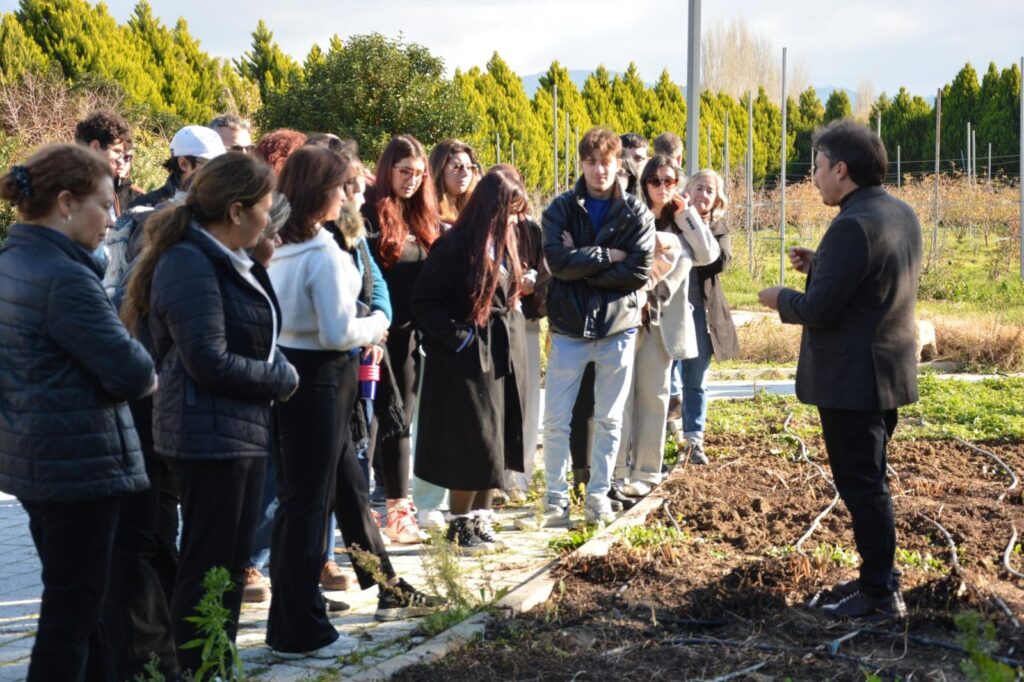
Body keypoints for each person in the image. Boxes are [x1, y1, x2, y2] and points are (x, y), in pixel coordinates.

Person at [120, 152, 300, 676]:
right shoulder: (189, 261)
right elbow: (208, 360)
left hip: (232, 431)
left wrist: (260, 265)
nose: (272, 221)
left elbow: (258, 334)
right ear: (238, 210)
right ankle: (197, 669)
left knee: (223, 567)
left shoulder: (224, 255)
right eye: (266, 210)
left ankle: (213, 665)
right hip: (207, 435)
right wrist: (282, 379)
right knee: (207, 568)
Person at [267, 147, 440, 658]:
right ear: (320, 190)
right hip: (323, 376)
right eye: (342, 187)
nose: (349, 196)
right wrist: (378, 325)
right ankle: (297, 628)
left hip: (297, 375)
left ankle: (385, 588)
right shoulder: (319, 248)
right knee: (306, 504)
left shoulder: (278, 241)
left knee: (345, 490)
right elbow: (341, 328)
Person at [0, 144, 157, 682]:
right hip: (78, 466)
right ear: (65, 203)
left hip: (38, 460)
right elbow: (134, 371)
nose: (113, 218)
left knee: (80, 609)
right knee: (72, 613)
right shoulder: (65, 279)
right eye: (105, 204)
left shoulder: (13, 261)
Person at [758, 119, 921, 621]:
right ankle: (879, 578)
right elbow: (871, 280)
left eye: (819, 167)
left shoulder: (852, 223)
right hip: (887, 373)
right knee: (870, 482)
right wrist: (822, 263)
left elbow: (822, 311)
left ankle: (878, 593)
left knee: (864, 488)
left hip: (853, 381)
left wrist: (781, 297)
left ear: (842, 170)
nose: (815, 177)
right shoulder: (897, 212)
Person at [541, 126, 654, 526]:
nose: (599, 170)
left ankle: (598, 497)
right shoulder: (560, 209)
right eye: (591, 162)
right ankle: (555, 499)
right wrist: (608, 255)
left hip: (616, 328)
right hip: (569, 329)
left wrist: (582, 263)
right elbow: (557, 262)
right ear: (581, 164)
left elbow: (638, 269)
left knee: (609, 419)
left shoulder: (636, 211)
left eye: (605, 162)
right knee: (556, 419)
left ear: (617, 163)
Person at [412, 166, 529, 551]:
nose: (515, 219)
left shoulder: (504, 243)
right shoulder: (456, 245)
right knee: (470, 439)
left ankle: (481, 518)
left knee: (496, 438)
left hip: (501, 352)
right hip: (466, 358)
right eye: (510, 211)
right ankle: (459, 523)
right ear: (491, 209)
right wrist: (459, 337)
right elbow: (424, 302)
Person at [613, 155, 720, 498]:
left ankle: (645, 470)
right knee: (622, 396)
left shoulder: (682, 220)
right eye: (655, 181)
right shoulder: (630, 214)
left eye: (670, 181)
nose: (662, 187)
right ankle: (616, 471)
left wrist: (687, 214)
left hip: (662, 320)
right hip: (628, 315)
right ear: (644, 184)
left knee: (655, 396)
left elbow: (708, 254)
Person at [362, 135, 442, 544]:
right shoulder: (367, 213)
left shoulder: (423, 214)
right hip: (375, 334)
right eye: (403, 172)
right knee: (372, 424)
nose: (411, 180)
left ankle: (398, 510)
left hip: (411, 335)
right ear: (387, 170)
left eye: (418, 174)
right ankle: (365, 511)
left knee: (401, 422)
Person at [105, 125, 227, 295]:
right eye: (209, 165)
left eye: (221, 166)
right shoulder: (146, 209)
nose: (218, 173)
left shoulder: (219, 209)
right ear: (183, 163)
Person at [674, 169, 740, 464]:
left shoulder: (717, 228)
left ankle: (693, 439)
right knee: (664, 378)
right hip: (669, 309)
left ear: (717, 200)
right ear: (687, 188)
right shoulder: (669, 220)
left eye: (709, 191)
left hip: (701, 311)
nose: (703, 195)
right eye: (699, 187)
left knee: (695, 378)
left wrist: (696, 228)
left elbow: (720, 262)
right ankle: (665, 433)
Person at [428, 139, 481, 225]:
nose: (465, 173)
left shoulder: (477, 209)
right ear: (440, 169)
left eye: (468, 167)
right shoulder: (427, 211)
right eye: (456, 167)